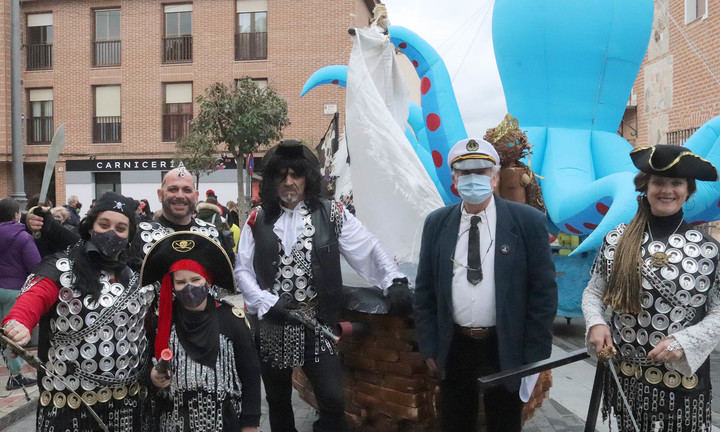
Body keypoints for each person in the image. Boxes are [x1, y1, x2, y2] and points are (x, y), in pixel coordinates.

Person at [234, 139, 411, 432]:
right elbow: (243, 271)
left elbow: (367, 249)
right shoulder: (256, 219)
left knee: (332, 399)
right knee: (277, 401)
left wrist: (393, 280)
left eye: (296, 174)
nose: (289, 182)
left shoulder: (333, 214)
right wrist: (266, 302)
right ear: (272, 180)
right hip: (273, 327)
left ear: (308, 178)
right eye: (282, 175)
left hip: (317, 327)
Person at [413, 138, 557, 432]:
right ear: (454, 180)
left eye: (481, 172)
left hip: (506, 347)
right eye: (465, 173)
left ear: (495, 177)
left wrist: (534, 355)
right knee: (455, 421)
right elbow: (425, 289)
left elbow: (543, 292)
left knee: (504, 422)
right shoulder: (437, 223)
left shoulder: (527, 222)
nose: (473, 179)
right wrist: (429, 347)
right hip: (455, 346)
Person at [582, 144, 720, 431]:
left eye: (676, 183)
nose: (666, 190)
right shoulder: (616, 240)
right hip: (628, 376)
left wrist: (686, 342)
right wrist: (595, 323)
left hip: (683, 379)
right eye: (659, 182)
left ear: (688, 190)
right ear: (645, 186)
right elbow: (594, 292)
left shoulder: (708, 249)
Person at [2, 192, 154, 431]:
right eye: (104, 225)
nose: (112, 232)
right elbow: (36, 295)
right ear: (91, 226)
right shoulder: (63, 266)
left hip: (128, 404)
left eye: (121, 228)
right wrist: (19, 322)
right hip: (69, 403)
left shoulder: (138, 277)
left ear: (129, 235)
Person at [141, 231, 261, 431]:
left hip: (223, 421)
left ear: (207, 281)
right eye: (180, 282)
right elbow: (146, 368)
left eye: (195, 280)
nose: (189, 287)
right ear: (172, 286)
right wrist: (153, 377)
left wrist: (250, 424)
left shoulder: (232, 319)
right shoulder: (161, 322)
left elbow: (250, 375)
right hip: (175, 422)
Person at [0, 198, 41, 390]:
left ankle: (12, 372)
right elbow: (35, 265)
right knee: (12, 335)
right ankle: (16, 376)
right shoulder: (23, 237)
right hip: (15, 289)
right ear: (17, 214)